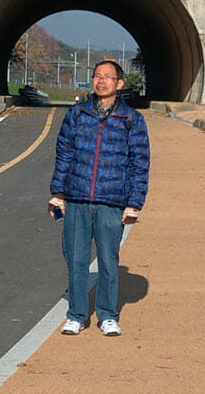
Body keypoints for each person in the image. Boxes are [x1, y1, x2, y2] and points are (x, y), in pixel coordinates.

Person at [48, 59, 150, 336]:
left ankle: (107, 314)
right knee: (76, 260)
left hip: (111, 202)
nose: (101, 81)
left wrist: (134, 203)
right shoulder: (77, 114)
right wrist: (57, 194)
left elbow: (139, 163)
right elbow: (64, 154)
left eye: (107, 77)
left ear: (119, 84)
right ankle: (77, 314)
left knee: (107, 260)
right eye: (96, 76)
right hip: (78, 198)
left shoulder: (131, 120)